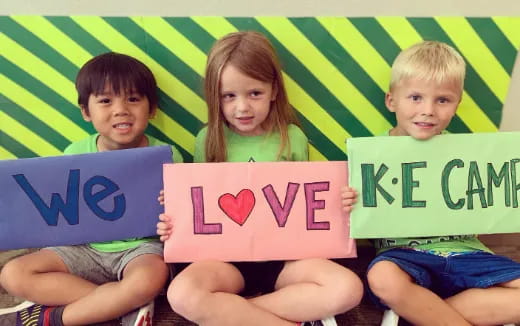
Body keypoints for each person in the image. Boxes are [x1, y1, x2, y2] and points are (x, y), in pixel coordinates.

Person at [157, 31, 363, 326]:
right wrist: (174, 216)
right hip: (224, 260)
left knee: (348, 288)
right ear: (215, 96)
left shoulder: (292, 138)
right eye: (229, 96)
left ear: (274, 91)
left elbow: (307, 205)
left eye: (254, 93)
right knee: (181, 294)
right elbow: (198, 207)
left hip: (286, 258)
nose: (242, 107)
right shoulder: (208, 139)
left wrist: (339, 200)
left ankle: (235, 311)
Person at [341, 40, 520, 325]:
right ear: (391, 101)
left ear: (456, 106)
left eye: (442, 100)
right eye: (415, 97)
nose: (428, 110)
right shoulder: (370, 155)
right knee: (382, 277)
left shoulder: (468, 155)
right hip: (404, 256)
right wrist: (349, 202)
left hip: (467, 253)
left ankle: (425, 313)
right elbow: (355, 218)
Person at [0, 52, 184, 326]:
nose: (121, 109)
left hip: (140, 250)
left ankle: (56, 318)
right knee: (12, 274)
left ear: (152, 108)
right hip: (84, 248)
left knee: (149, 278)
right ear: (86, 111)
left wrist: (173, 204)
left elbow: (182, 218)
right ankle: (122, 305)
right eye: (106, 101)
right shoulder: (74, 153)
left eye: (133, 99)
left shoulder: (168, 155)